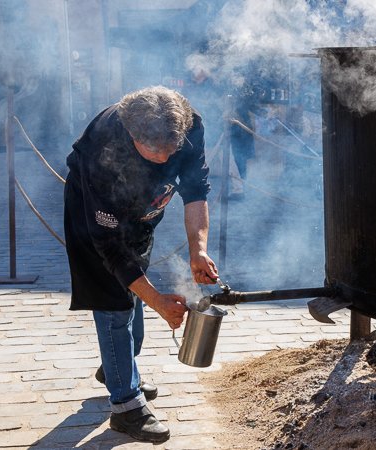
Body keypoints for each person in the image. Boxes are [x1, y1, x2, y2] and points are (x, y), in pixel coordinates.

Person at [63, 86, 219, 443]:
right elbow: (112, 248)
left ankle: (118, 367)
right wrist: (159, 302)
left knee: (134, 290)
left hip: (142, 213)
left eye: (171, 150)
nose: (164, 160)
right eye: (154, 151)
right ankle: (126, 407)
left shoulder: (191, 124)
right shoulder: (105, 143)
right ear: (132, 133)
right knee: (114, 300)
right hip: (94, 217)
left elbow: (196, 190)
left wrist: (198, 249)